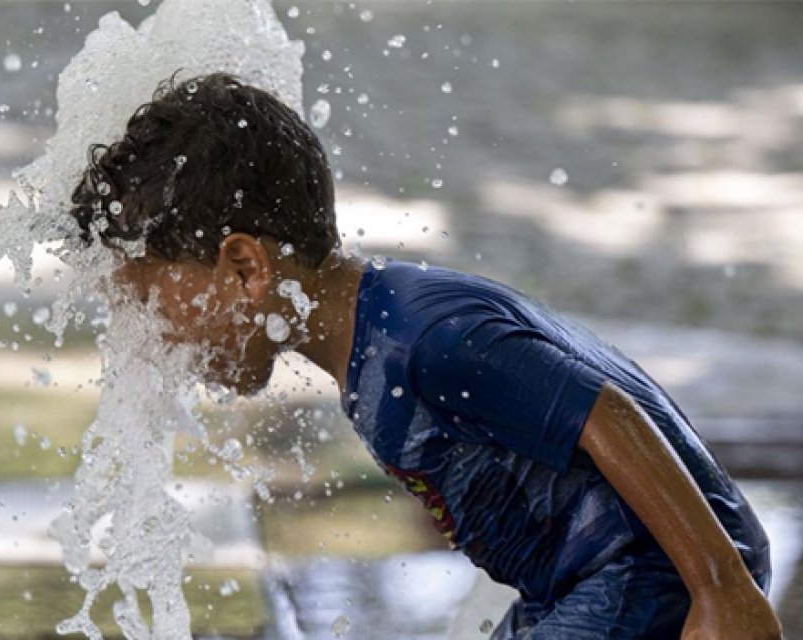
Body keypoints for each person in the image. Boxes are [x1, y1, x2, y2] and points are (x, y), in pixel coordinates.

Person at [67, 72, 781, 639]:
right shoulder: (375, 341)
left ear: (247, 269)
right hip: (592, 580)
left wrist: (723, 593)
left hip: (649, 576)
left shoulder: (423, 339)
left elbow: (609, 414)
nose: (151, 334)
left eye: (154, 302)